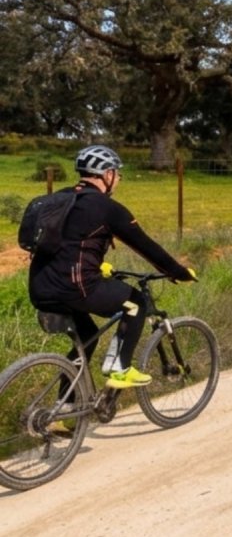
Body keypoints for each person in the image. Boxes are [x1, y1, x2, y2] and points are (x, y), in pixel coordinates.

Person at [27, 145, 196, 389]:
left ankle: (65, 408)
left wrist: (97, 265)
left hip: (40, 287)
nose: (118, 180)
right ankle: (120, 367)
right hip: (77, 288)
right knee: (137, 302)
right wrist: (177, 271)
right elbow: (145, 246)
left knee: (87, 338)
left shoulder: (60, 199)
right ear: (107, 175)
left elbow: (69, 243)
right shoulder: (107, 208)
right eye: (117, 174)